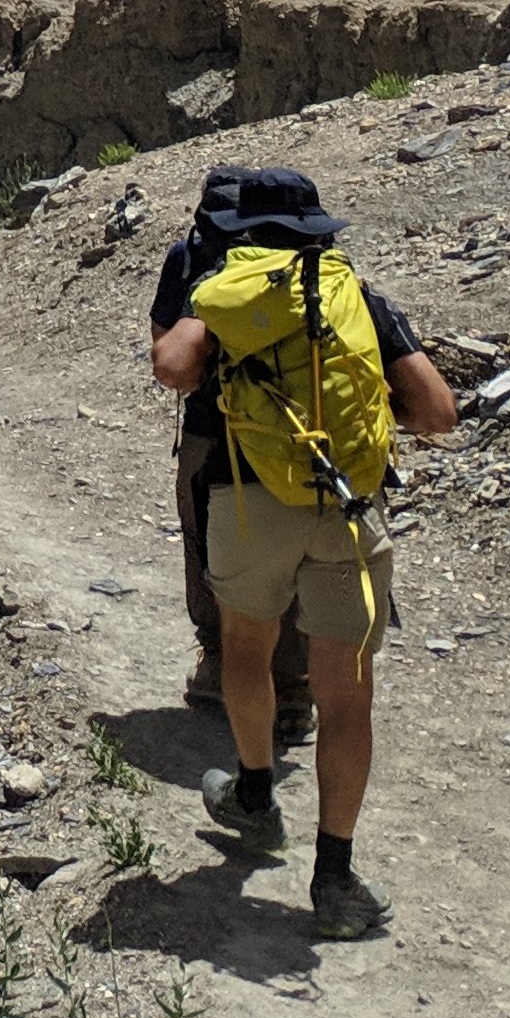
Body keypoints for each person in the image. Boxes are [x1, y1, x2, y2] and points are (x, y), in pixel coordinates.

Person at [150, 164, 458, 941]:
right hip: (350, 509)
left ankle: (255, 798)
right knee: (347, 696)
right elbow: (439, 412)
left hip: (249, 504)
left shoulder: (228, 290)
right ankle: (335, 876)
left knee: (246, 650)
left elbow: (171, 370)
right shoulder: (354, 294)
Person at [148, 174, 312, 749]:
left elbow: (169, 360)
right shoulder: (310, 265)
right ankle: (293, 689)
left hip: (210, 428)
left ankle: (220, 665)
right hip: (301, 432)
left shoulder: (192, 258)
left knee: (207, 543)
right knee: (293, 558)